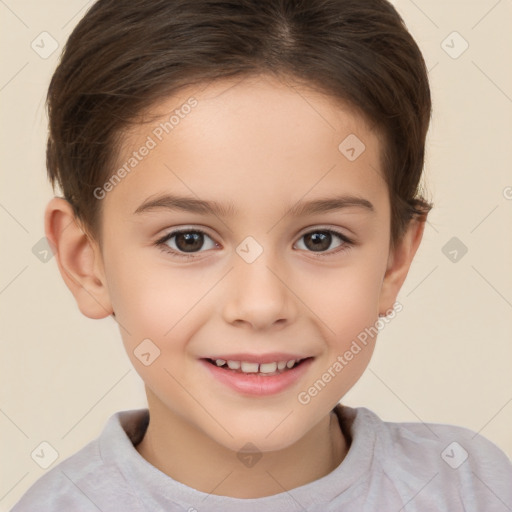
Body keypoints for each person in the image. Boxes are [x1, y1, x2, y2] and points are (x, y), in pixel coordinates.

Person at [12, 0, 512, 510]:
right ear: (84, 262)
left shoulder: (471, 488)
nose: (261, 304)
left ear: (393, 259)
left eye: (321, 239)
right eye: (189, 239)